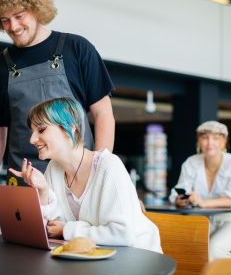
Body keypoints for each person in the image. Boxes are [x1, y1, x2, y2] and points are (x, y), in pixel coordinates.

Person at [0, 0, 115, 225]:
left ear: (37, 9)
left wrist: (100, 174)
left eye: (19, 16)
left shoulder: (77, 49)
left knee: (79, 247)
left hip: (77, 179)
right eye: (4, 20)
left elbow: (103, 114)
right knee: (23, 254)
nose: (13, 26)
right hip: (23, 181)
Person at [10, 97, 161, 252]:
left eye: (41, 130)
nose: (32, 139)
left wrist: (67, 230)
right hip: (96, 262)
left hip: (138, 260)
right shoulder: (54, 169)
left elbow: (122, 234)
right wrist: (42, 190)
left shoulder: (108, 166)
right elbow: (49, 228)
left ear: (70, 127)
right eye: (32, 132)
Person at [169, 121, 231, 261]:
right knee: (179, 244)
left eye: (215, 138)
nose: (210, 142)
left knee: (215, 247)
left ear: (224, 142)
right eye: (204, 137)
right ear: (199, 141)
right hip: (203, 223)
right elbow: (179, 190)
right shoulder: (190, 162)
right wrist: (180, 200)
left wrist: (203, 202)